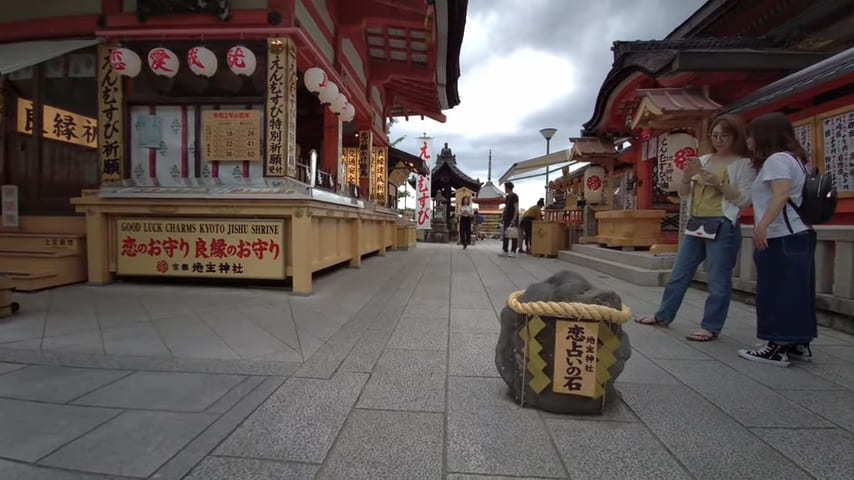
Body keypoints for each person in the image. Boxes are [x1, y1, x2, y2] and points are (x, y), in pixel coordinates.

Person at [636, 114, 756, 341]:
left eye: (724, 136)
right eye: (715, 135)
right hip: (696, 223)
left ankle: (711, 326)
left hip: (722, 224)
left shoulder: (743, 165)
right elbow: (684, 196)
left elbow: (743, 200)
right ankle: (663, 314)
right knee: (679, 274)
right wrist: (686, 178)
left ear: (735, 137)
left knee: (718, 280)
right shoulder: (704, 160)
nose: (719, 140)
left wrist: (718, 184)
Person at [737, 112, 817, 367]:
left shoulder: (776, 160)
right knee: (797, 291)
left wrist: (762, 225)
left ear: (763, 136)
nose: (748, 142)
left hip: (782, 235)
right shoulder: (796, 159)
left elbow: (780, 195)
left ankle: (776, 345)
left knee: (775, 291)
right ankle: (796, 341)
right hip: (799, 233)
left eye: (750, 136)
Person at [499, 182, 519, 257]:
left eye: (505, 187)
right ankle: (505, 250)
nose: (504, 189)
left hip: (512, 217)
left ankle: (513, 250)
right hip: (506, 217)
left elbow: (516, 208)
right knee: (505, 234)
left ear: (508, 188)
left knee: (513, 234)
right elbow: (506, 208)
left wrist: (514, 218)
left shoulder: (515, 196)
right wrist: (503, 216)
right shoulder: (507, 197)